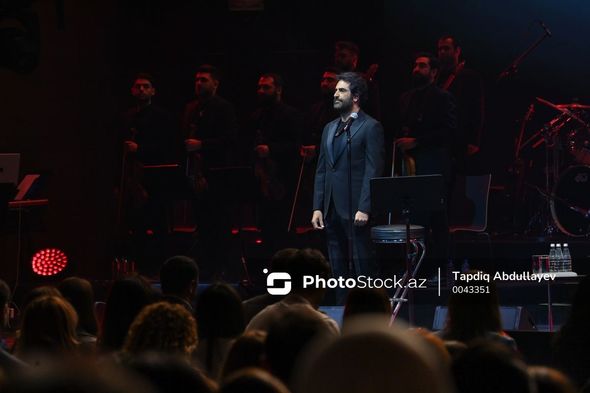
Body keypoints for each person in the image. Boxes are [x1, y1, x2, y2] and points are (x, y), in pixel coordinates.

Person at [311, 72, 384, 303]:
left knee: (363, 265)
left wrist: (366, 206)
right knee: (338, 268)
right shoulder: (329, 128)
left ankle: (370, 312)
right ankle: (343, 310)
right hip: (331, 206)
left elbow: (374, 170)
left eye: (341, 90)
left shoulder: (370, 127)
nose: (335, 93)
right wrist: (318, 207)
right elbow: (322, 169)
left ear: (356, 96)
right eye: (335, 90)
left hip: (355, 208)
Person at [396, 53, 456, 276]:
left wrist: (417, 141)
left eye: (422, 66)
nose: (416, 68)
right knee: (413, 217)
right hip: (410, 166)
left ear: (433, 72)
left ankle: (438, 270)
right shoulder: (405, 98)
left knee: (436, 218)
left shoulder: (443, 97)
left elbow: (449, 132)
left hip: (433, 164)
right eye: (415, 64)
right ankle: (415, 268)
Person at [181, 65, 238, 278]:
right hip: (194, 172)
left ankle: (220, 268)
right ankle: (204, 268)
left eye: (204, 80)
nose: (199, 83)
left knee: (219, 223)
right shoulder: (191, 108)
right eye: (197, 80)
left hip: (216, 174)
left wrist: (202, 144)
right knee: (201, 223)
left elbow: (231, 140)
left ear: (215, 83)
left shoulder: (224, 107)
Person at [118, 73, 180, 236]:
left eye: (146, 86)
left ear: (153, 91)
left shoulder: (162, 116)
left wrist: (140, 148)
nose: (141, 89)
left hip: (154, 176)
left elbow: (167, 146)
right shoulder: (126, 117)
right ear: (132, 90)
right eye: (138, 86)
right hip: (131, 177)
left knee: (156, 221)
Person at [248, 73, 303, 251]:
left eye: (266, 87)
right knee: (264, 226)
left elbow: (297, 145)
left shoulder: (290, 114)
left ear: (278, 90)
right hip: (262, 179)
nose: (261, 91)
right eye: (259, 87)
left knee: (284, 226)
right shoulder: (257, 116)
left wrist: (271, 149)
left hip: (283, 179)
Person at [437, 35, 485, 174]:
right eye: (440, 49)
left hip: (459, 139)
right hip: (439, 139)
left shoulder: (470, 77)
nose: (442, 52)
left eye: (446, 48)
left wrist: (474, 140)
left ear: (457, 51)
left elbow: (477, 109)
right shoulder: (436, 78)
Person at [333, 41, 381, 120]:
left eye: (343, 56)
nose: (338, 59)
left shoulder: (364, 81)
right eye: (336, 56)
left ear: (354, 59)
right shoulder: (331, 79)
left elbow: (373, 110)